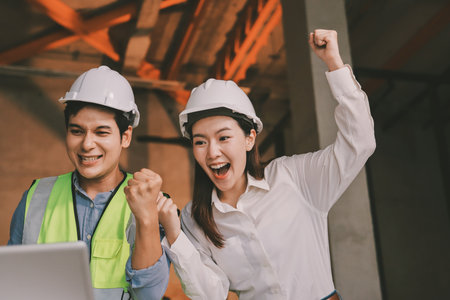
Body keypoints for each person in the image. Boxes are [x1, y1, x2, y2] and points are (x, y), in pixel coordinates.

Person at [156, 29, 376, 299]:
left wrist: (334, 63)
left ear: (249, 139)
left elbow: (360, 142)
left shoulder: (293, 177)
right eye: (200, 142)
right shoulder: (195, 217)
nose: (212, 152)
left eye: (223, 137)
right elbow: (209, 293)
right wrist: (174, 232)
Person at [8, 66, 170, 300]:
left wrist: (146, 218)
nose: (87, 144)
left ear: (125, 137)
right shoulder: (36, 197)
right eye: (77, 131)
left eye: (101, 132)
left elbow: (150, 294)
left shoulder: (154, 203)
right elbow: (13, 283)